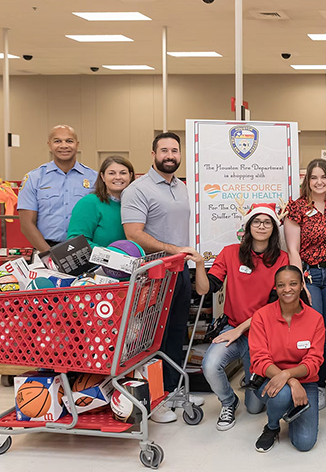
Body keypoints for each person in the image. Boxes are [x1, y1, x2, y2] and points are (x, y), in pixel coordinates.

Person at [121, 132, 201, 423]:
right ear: (153, 154)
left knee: (177, 334)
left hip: (179, 271)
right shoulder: (138, 189)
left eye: (174, 150)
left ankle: (171, 390)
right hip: (152, 274)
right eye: (164, 150)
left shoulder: (182, 187)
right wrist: (173, 250)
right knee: (152, 339)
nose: (170, 155)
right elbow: (133, 233)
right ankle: (154, 399)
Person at [194, 204, 289, 431]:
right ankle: (228, 401)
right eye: (256, 221)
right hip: (232, 328)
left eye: (267, 222)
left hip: (261, 334)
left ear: (274, 229)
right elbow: (206, 288)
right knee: (210, 366)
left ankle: (250, 377)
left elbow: (273, 306)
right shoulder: (229, 253)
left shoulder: (282, 259)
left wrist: (241, 330)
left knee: (255, 408)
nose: (261, 226)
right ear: (247, 226)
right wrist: (199, 264)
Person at [285, 158, 326, 408]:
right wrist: (301, 282)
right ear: (307, 180)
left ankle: (321, 383)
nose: (319, 181)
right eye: (314, 177)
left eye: (324, 177)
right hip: (310, 275)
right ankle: (313, 383)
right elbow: (292, 250)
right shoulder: (297, 207)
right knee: (316, 332)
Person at [249, 265, 325, 452]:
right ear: (275, 288)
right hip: (270, 380)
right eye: (281, 285)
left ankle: (288, 410)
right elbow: (259, 360)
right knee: (282, 393)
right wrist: (290, 380)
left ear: (301, 286)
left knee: (304, 443)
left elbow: (314, 362)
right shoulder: (261, 316)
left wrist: (289, 376)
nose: (287, 289)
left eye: (293, 284)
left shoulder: (315, 319)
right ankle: (273, 426)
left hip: (306, 383)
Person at [18, 124, 97, 251]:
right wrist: (50, 255)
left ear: (77, 144)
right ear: (49, 145)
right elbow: (27, 224)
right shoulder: (34, 178)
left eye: (69, 141)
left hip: (86, 249)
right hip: (46, 248)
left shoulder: (95, 178)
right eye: (57, 141)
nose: (64, 145)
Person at [67, 155, 134, 248]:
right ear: (102, 177)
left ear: (130, 176)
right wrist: (109, 256)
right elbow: (76, 241)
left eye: (123, 173)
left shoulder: (137, 204)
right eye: (111, 173)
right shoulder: (89, 203)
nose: (118, 177)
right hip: (98, 261)